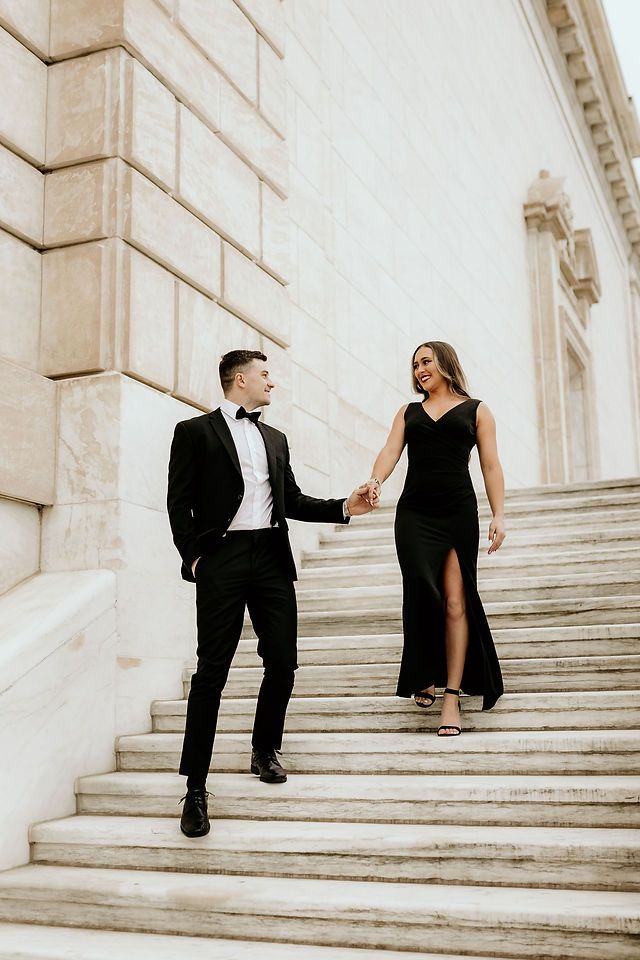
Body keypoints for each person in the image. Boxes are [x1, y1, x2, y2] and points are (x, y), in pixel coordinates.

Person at [167, 349, 375, 837]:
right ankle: (195, 788)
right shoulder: (193, 432)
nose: (271, 383)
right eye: (265, 375)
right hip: (223, 558)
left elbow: (293, 499)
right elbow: (178, 502)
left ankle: (264, 748)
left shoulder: (275, 438)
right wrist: (195, 558)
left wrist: (345, 506)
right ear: (240, 380)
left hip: (271, 561)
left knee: (282, 661)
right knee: (211, 672)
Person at [363, 341, 505, 736]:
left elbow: (491, 464)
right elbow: (391, 450)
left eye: (426, 362)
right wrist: (375, 481)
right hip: (414, 513)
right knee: (422, 590)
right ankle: (423, 670)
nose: (419, 370)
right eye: (415, 365)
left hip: (458, 512)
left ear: (445, 363)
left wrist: (499, 515)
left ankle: (452, 698)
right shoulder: (408, 412)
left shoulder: (477, 410)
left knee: (456, 602)